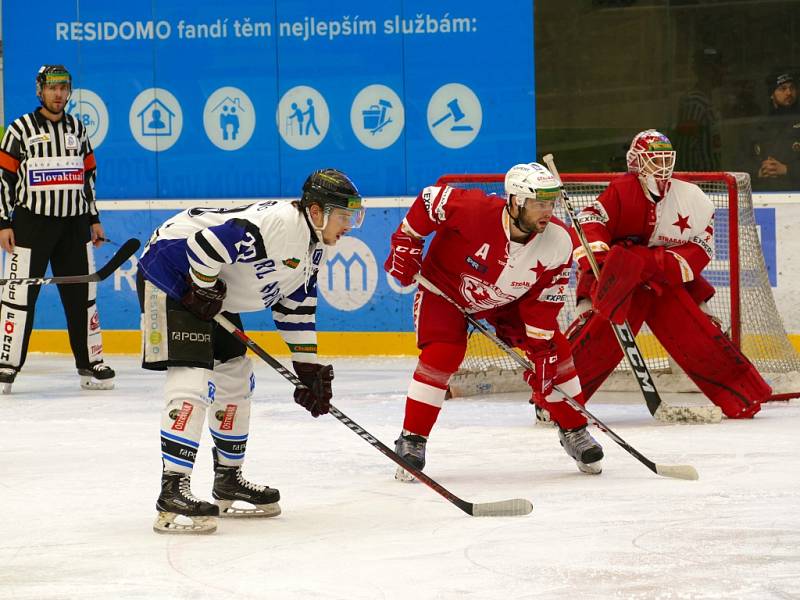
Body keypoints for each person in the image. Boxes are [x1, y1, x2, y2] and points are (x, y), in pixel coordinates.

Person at [137, 168, 365, 534]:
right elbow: (205, 246)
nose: (349, 225)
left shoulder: (314, 245)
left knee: (235, 375)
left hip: (210, 286)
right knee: (192, 378)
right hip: (172, 273)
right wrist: (202, 287)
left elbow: (295, 306)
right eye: (344, 216)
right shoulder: (278, 226)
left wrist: (307, 369)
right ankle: (172, 488)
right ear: (318, 212)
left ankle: (228, 478)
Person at [384, 162, 604, 479]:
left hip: (508, 302)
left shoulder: (558, 241)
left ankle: (575, 430)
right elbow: (430, 200)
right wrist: (407, 240)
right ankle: (412, 439)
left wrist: (541, 348)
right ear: (516, 201)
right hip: (446, 292)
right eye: (539, 203)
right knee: (442, 355)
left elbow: (543, 300)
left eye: (550, 203)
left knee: (556, 351)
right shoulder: (474, 209)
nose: (547, 211)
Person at [554, 129, 771, 431]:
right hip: (618, 282)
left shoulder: (691, 198)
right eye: (653, 160)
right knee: (598, 331)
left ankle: (743, 393)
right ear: (636, 162)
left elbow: (701, 248)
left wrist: (651, 263)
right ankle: (556, 400)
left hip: (662, 281)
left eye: (665, 159)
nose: (661, 166)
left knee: (695, 329)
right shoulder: (622, 190)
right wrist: (604, 261)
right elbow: (591, 221)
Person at [0, 65, 114, 393]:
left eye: (64, 88)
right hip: (30, 225)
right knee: (19, 296)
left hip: (74, 226)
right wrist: (3, 222)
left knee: (82, 296)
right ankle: (7, 364)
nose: (58, 94)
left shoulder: (78, 128)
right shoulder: (19, 129)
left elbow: (88, 178)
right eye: (52, 88)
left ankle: (90, 362)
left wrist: (93, 219)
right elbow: (2, 180)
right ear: (40, 91)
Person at [672, 47, 724, 172]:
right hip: (699, 181)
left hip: (709, 180)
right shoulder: (695, 101)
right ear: (708, 70)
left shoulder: (707, 100)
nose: (724, 72)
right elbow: (685, 145)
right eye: (720, 67)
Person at [749, 70, 800, 191]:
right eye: (782, 88)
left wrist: (787, 169)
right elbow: (741, 161)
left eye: (792, 88)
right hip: (765, 195)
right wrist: (759, 172)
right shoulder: (759, 126)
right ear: (772, 94)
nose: (789, 92)